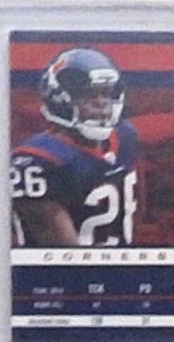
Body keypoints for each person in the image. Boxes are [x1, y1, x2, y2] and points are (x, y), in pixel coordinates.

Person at [11, 47, 140, 247]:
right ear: (59, 99)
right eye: (88, 95)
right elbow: (64, 253)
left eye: (106, 94)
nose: (101, 103)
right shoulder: (36, 160)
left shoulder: (124, 136)